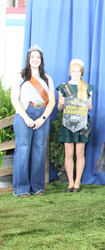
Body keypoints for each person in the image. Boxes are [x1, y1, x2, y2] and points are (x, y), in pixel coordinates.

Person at [11, 44, 56, 197]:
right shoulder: (21, 76)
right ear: (28, 59)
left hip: (42, 114)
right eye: (32, 57)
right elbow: (14, 99)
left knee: (39, 150)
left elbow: (52, 102)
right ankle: (21, 189)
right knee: (23, 150)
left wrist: (43, 118)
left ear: (41, 60)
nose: (35, 59)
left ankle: (37, 187)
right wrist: (26, 117)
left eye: (38, 57)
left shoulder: (47, 78)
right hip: (25, 114)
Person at [56, 59, 94, 193]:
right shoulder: (63, 87)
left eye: (78, 71)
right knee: (69, 153)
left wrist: (89, 103)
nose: (76, 73)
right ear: (70, 72)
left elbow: (89, 108)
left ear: (81, 72)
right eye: (73, 71)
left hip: (82, 124)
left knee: (79, 153)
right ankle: (70, 182)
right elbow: (59, 108)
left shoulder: (87, 87)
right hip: (68, 123)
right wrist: (61, 103)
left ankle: (77, 182)